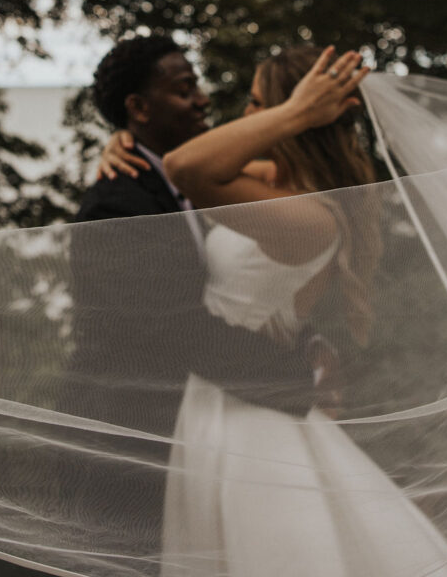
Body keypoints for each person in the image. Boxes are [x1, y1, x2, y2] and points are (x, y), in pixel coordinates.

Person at [158, 44, 447, 577]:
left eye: (260, 103)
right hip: (222, 392)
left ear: (302, 113)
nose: (248, 115)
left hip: (249, 414)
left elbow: (184, 166)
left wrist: (295, 111)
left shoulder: (312, 219)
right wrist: (122, 142)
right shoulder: (269, 181)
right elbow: (178, 170)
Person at [68, 35, 333, 570]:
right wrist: (298, 378)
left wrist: (303, 336)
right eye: (184, 89)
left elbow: (232, 288)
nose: (203, 100)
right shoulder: (116, 203)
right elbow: (173, 330)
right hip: (134, 446)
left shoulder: (198, 183)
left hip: (206, 429)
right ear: (138, 109)